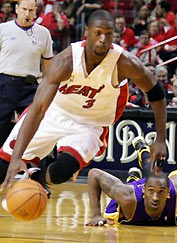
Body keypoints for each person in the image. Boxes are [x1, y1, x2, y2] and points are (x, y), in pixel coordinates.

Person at [0, 10, 167, 196]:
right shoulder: (65, 61)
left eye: (109, 33)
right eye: (98, 32)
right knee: (4, 166)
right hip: (55, 112)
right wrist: (16, 157)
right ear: (86, 32)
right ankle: (25, 168)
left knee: (62, 171)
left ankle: (39, 178)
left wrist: (160, 139)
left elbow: (157, 93)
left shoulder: (124, 63)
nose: (103, 38)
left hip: (90, 122)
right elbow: (38, 109)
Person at [86, 136, 177, 226]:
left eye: (161, 192)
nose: (155, 197)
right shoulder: (126, 197)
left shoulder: (176, 189)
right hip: (131, 196)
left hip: (148, 187)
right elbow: (94, 174)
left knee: (154, 174)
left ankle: (135, 170)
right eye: (151, 192)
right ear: (143, 190)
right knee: (144, 177)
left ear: (168, 192)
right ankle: (140, 157)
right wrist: (96, 215)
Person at [0, 0, 53, 147]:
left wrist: (46, 89)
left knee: (35, 127)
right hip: (5, 84)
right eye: (24, 9)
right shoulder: (3, 29)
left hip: (30, 87)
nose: (27, 14)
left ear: (36, 11)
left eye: (31, 10)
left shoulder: (44, 33)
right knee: (1, 127)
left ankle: (32, 167)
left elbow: (48, 65)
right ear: (16, 9)